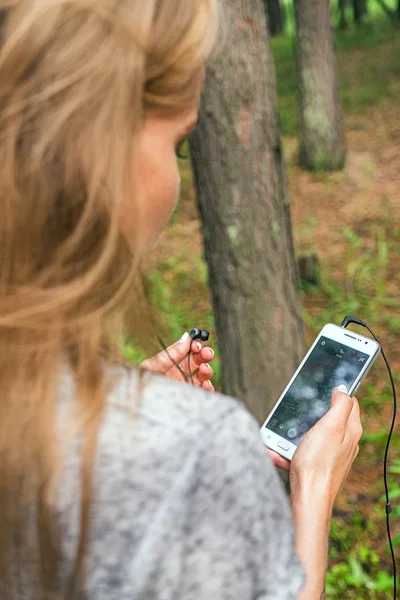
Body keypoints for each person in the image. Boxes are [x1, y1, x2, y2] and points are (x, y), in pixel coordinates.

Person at [0, 1, 362, 599]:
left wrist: (104, 401)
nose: (173, 182)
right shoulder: (195, 454)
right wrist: (314, 490)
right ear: (98, 151)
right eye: (179, 143)